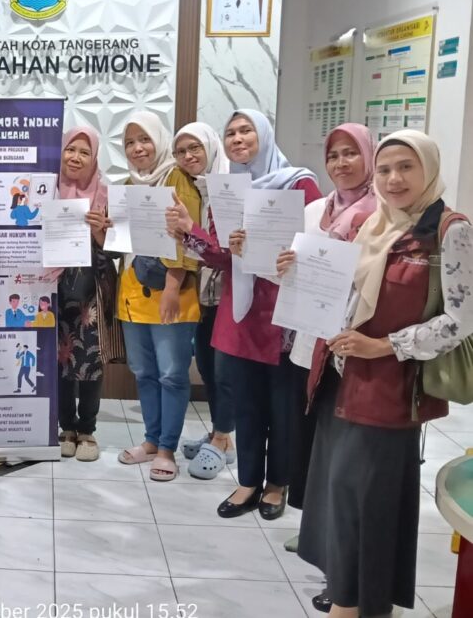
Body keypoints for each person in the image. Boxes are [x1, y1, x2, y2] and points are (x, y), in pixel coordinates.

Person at [293, 131, 473, 618]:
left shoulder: (449, 231)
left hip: (388, 390)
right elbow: (345, 295)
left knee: (366, 504)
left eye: (406, 167)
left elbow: (460, 321)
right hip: (338, 380)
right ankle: (348, 598)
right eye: (387, 168)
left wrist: (385, 346)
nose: (394, 179)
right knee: (339, 499)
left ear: (429, 169)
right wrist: (298, 273)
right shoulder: (373, 224)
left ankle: (356, 605)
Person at [167, 109, 321, 518]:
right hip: (240, 313)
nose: (237, 139)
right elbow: (220, 256)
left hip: (283, 316)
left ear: (264, 134)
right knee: (246, 405)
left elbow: (319, 245)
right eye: (230, 132)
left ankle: (277, 483)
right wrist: (190, 229)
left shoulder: (299, 183)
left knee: (282, 406)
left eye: (246, 130)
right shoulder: (229, 190)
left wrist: (290, 254)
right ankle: (249, 481)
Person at [278, 124, 376, 558]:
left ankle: (340, 535)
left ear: (368, 156)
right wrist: (284, 266)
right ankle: (314, 526)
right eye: (333, 155)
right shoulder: (315, 210)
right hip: (309, 340)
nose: (340, 163)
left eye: (351, 153)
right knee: (312, 439)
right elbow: (294, 273)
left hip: (354, 345)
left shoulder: (382, 214)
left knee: (345, 444)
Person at [116, 112, 201, 482]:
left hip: (172, 293)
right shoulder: (126, 184)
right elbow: (123, 241)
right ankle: (151, 441)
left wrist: (171, 287)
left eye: (144, 139)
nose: (138, 148)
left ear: (159, 140)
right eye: (130, 142)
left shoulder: (178, 178)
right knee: (144, 372)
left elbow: (187, 237)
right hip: (133, 293)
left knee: (171, 374)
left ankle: (167, 448)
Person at [170, 122, 237, 479]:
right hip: (206, 292)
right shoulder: (194, 188)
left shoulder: (229, 186)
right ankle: (218, 432)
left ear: (210, 147)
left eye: (194, 148)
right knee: (209, 367)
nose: (188, 156)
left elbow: (226, 248)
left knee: (225, 371)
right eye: (181, 151)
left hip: (233, 292)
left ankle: (224, 439)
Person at [51, 127, 117, 462]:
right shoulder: (48, 189)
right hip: (54, 286)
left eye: (84, 152)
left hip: (92, 289)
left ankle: (87, 429)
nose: (75, 157)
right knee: (60, 358)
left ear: (94, 157)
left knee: (90, 359)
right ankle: (66, 427)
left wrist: (99, 232)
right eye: (70, 150)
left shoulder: (106, 193)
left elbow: (118, 249)